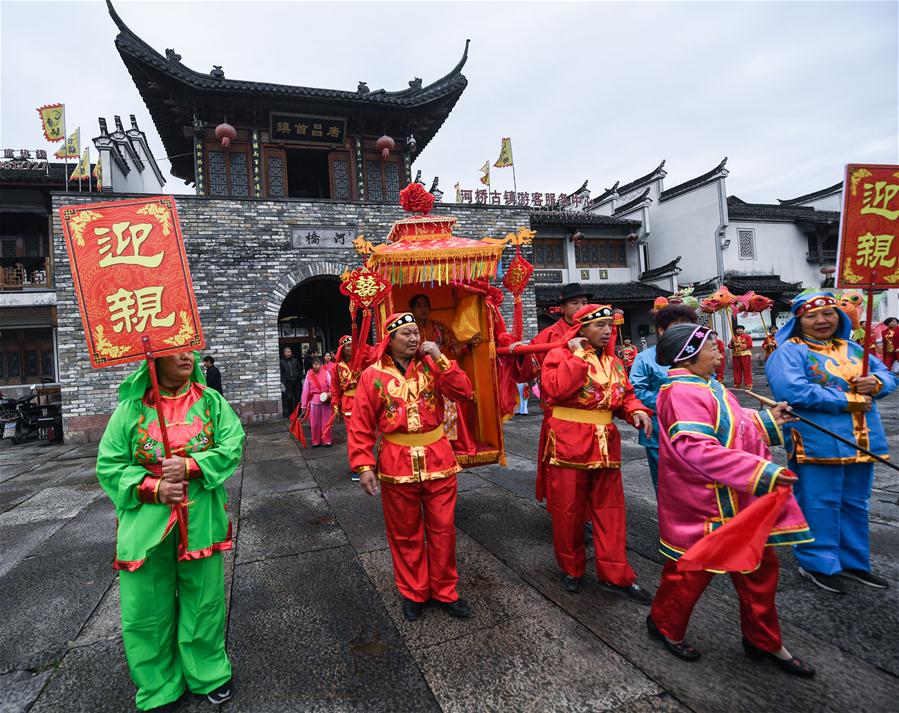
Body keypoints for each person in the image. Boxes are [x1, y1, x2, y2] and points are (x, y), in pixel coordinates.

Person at [648, 324, 814, 676]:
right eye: (711, 346)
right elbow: (698, 449)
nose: (719, 351)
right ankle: (663, 625)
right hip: (703, 504)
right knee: (689, 574)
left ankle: (764, 641)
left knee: (759, 569)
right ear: (689, 355)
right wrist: (762, 472)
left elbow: (735, 424)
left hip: (736, 500)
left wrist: (770, 419)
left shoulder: (709, 385)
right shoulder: (680, 391)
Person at [96, 351, 245, 710]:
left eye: (188, 349)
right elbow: (110, 464)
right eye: (174, 351)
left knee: (204, 602)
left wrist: (192, 465)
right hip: (147, 526)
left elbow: (233, 444)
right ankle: (158, 684)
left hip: (200, 520)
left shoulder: (210, 402)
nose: (185, 356)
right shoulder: (131, 409)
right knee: (146, 607)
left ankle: (207, 672)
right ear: (153, 359)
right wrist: (153, 487)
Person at [348, 312, 474, 622]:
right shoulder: (372, 375)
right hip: (396, 461)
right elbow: (361, 423)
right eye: (406, 333)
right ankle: (414, 591)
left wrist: (442, 358)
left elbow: (463, 391)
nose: (414, 337)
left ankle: (445, 590)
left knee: (443, 530)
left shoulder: (432, 365)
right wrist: (364, 465)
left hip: (438, 458)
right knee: (404, 532)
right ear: (389, 340)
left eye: (416, 332)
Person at [766, 292, 896, 593]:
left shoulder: (853, 348)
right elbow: (793, 391)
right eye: (811, 316)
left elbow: (887, 375)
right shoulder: (789, 352)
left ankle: (853, 562)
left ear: (838, 317)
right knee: (819, 503)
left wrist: (876, 383)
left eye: (828, 313)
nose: (821, 320)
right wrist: (850, 400)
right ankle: (817, 563)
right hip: (816, 441)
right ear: (799, 320)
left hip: (863, 439)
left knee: (854, 503)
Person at [538, 303, 654, 601]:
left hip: (605, 448)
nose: (607, 331)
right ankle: (572, 569)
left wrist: (636, 411)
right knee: (569, 513)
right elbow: (555, 390)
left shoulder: (614, 362)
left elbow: (624, 394)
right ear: (581, 330)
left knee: (611, 513)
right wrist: (577, 356)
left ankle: (615, 575)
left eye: (609, 326)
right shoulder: (559, 355)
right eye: (600, 326)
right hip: (569, 446)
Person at [629, 304, 697, 491]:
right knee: (665, 485)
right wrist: (671, 402)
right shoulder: (645, 358)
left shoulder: (697, 355)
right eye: (677, 326)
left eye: (688, 326)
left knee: (696, 484)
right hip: (660, 428)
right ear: (661, 330)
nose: (684, 331)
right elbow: (636, 391)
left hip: (696, 428)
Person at [410, 293, 479, 455]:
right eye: (419, 305)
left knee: (450, 405)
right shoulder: (409, 330)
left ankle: (450, 443)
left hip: (439, 370)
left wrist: (468, 344)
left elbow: (455, 346)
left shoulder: (438, 327)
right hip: (416, 374)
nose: (423, 309)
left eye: (426, 305)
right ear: (412, 309)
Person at [531, 283, 592, 364]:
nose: (581, 307)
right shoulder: (550, 333)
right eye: (575, 303)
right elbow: (532, 358)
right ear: (562, 308)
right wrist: (519, 352)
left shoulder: (593, 329)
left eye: (584, 303)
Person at [301, 358, 332, 447]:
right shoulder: (309, 374)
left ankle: (327, 440)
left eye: (318, 364)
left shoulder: (326, 373)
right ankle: (316, 441)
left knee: (326, 421)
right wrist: (304, 403)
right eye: (315, 364)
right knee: (314, 422)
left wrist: (330, 395)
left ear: (321, 365)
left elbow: (331, 385)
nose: (317, 366)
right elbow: (306, 390)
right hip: (314, 401)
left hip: (325, 399)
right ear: (312, 365)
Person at [729, 324, 753, 388]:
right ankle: (737, 383)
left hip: (745, 354)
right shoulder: (733, 338)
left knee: (746, 369)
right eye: (738, 329)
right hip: (736, 355)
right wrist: (733, 344)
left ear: (743, 330)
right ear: (736, 330)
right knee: (737, 370)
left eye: (741, 329)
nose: (739, 330)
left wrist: (739, 345)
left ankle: (748, 383)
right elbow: (729, 346)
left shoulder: (747, 336)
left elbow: (750, 345)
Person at [279, 346, 302, 416]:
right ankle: (290, 413)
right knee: (289, 397)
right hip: (288, 382)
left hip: (297, 382)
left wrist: (299, 377)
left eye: (290, 352)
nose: (289, 353)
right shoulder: (282, 362)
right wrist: (284, 381)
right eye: (288, 352)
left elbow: (299, 369)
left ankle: (298, 412)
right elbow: (282, 372)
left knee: (298, 397)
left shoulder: (295, 360)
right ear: (284, 353)